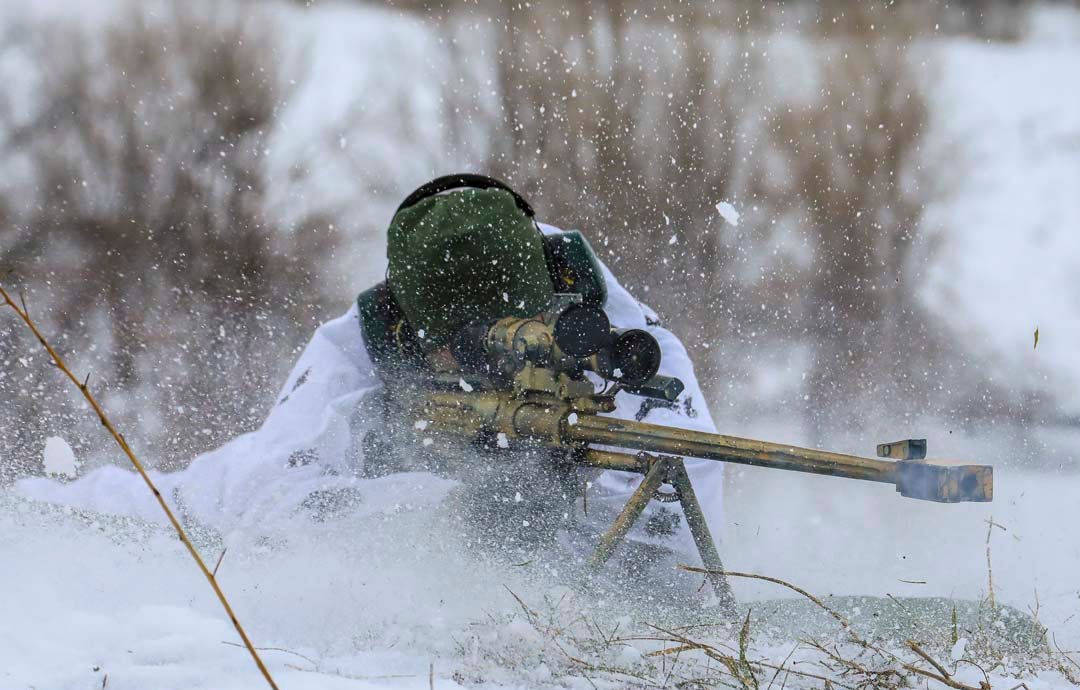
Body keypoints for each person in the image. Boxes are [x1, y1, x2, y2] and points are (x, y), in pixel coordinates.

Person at [16, 175, 724, 583]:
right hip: (361, 483)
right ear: (416, 330)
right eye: (460, 349)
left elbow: (680, 545)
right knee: (180, 505)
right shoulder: (361, 345)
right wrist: (439, 515)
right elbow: (269, 499)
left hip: (562, 559)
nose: (482, 365)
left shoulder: (627, 345)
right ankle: (24, 507)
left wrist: (552, 530)